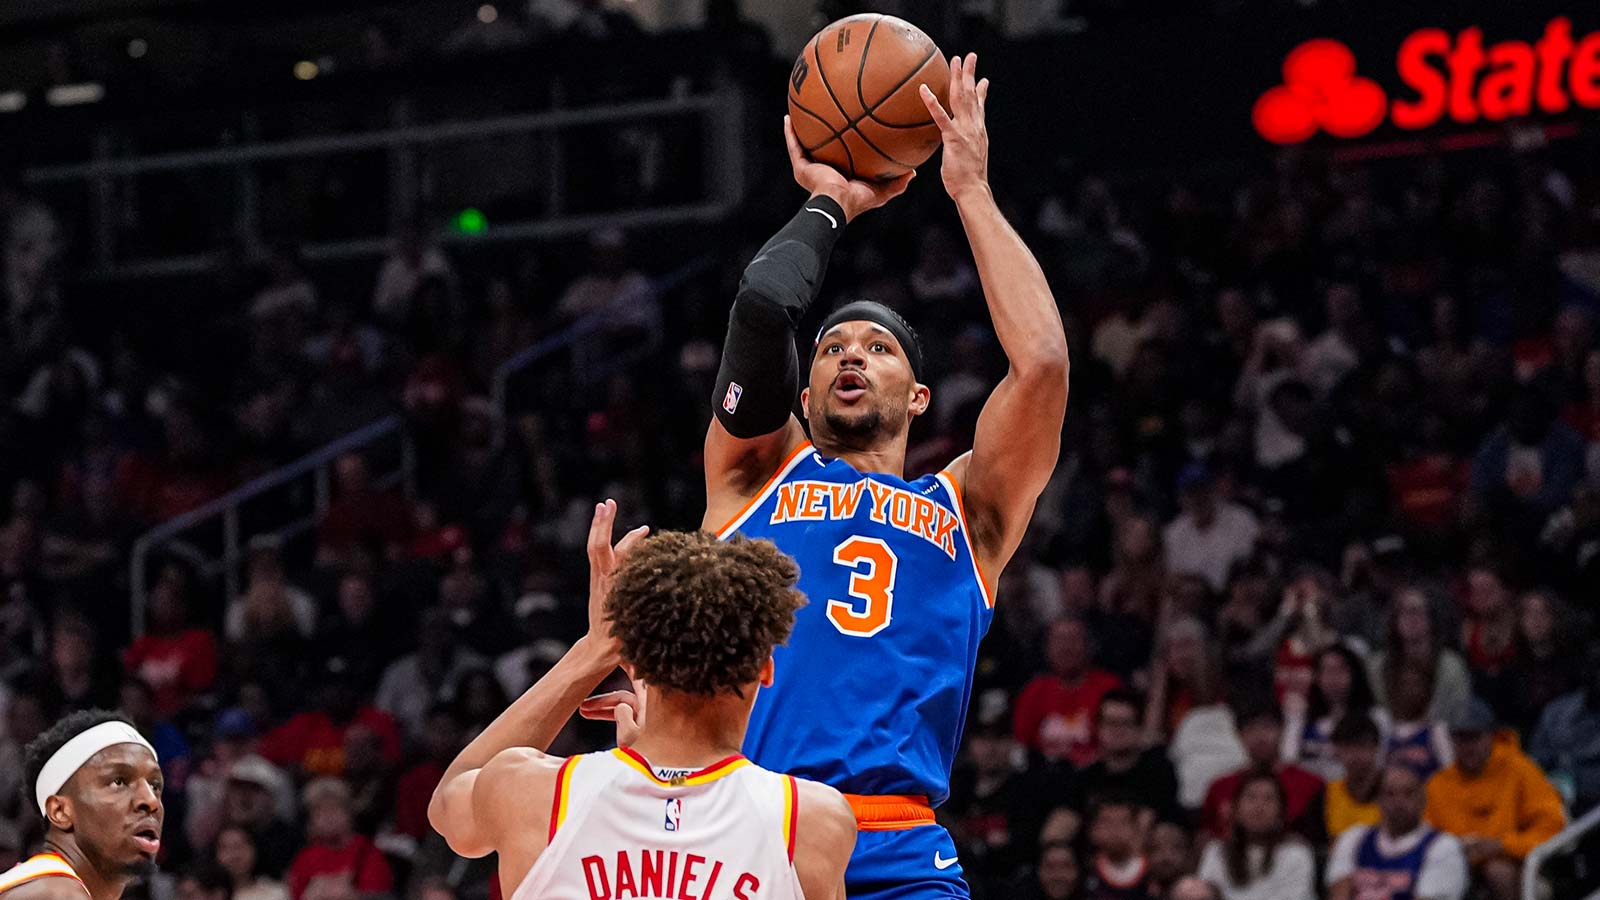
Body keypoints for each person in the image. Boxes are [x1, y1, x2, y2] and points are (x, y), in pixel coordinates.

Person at [701, 55, 1069, 899]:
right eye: (831, 348)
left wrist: (970, 191)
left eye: (876, 348)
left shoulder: (968, 506)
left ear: (919, 394)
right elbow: (763, 306)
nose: (849, 357)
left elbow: (1043, 362)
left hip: (898, 842)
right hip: (759, 827)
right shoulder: (759, 471)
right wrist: (834, 200)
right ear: (806, 391)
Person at [428, 501, 857, 899]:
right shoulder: (811, 823)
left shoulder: (533, 793)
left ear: (638, 660)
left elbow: (450, 798)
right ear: (765, 668)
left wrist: (594, 652)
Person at [1, 711, 163, 900]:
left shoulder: (45, 886)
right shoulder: (59, 894)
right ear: (60, 811)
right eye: (118, 782)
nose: (150, 801)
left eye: (155, 785)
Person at [1423, 698, 1565, 900]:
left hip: (1518, 865)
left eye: (1475, 737)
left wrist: (1503, 845)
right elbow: (1424, 836)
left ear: (1491, 735)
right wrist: (1457, 851)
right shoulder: (1438, 784)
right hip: (1456, 866)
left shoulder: (1520, 769)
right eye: (1461, 738)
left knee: (1497, 871)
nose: (1468, 747)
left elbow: (1553, 825)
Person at [1327, 765, 1467, 900]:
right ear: (1378, 800)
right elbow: (1339, 894)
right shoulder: (1354, 838)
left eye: (1408, 793)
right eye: (1390, 794)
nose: (1399, 802)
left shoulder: (1443, 846)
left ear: (1423, 798)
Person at [1014, 617, 1123, 767]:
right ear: (1047, 648)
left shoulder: (1109, 688)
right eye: (1059, 640)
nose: (1066, 648)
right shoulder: (1034, 691)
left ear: (1088, 646)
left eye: (1073, 640)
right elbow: (1021, 744)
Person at [1195, 774, 1315, 900]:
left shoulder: (1296, 853)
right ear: (1235, 808)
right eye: (1251, 797)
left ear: (1281, 812)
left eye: (1268, 799)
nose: (1259, 806)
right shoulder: (1216, 851)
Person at [1081, 798, 1155, 900]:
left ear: (1135, 828)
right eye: (1107, 822)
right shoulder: (1084, 871)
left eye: (1122, 822)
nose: (1115, 830)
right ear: (1094, 830)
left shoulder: (1152, 872)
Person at [1323, 715, 1383, 840]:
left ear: (1376, 748)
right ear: (1337, 750)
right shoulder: (1328, 793)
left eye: (1362, 745)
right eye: (1348, 746)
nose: (1355, 754)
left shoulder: (1392, 791)